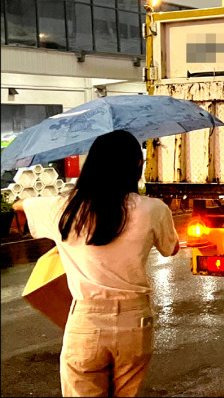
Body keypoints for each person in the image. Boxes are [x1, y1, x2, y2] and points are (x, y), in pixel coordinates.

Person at [13, 130, 179, 397]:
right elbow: (171, 249)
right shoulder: (154, 209)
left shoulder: (61, 208)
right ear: (137, 165)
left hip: (86, 323)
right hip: (134, 324)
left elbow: (20, 204)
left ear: (92, 165)